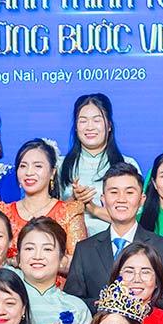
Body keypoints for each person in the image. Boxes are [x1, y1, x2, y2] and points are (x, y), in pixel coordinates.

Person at [62, 163, 163, 316]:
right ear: (103, 199)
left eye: (129, 192)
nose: (121, 199)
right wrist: (106, 304)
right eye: (114, 192)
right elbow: (72, 302)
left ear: (142, 199)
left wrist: (135, 303)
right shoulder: (85, 249)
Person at [59, 92, 140, 234]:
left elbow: (137, 216)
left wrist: (94, 209)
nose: (89, 127)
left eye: (96, 120)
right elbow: (50, 215)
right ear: (76, 127)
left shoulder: (127, 164)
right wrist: (74, 200)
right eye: (83, 121)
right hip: (70, 241)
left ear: (109, 125)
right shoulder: (61, 165)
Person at [0, 138, 86, 262]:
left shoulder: (69, 212)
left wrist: (27, 262)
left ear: (52, 172)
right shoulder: (4, 213)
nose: (29, 172)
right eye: (23, 166)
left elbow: (79, 262)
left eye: (38, 166)